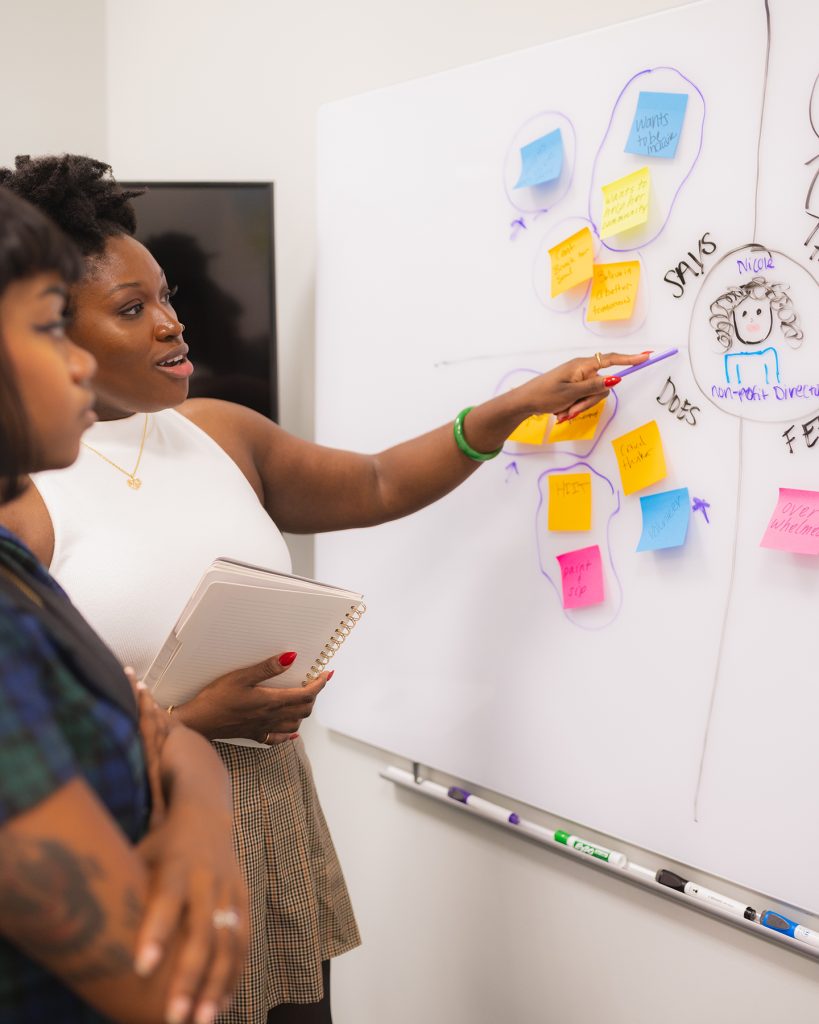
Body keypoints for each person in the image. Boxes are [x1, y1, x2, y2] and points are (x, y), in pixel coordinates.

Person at [0, 153, 646, 1024]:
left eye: (166, 298)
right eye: (130, 309)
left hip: (268, 804)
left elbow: (375, 483)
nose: (169, 325)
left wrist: (505, 412)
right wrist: (191, 734)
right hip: (132, 822)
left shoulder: (215, 431)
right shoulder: (30, 503)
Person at [0, 183, 253, 1023]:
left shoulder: (14, 571)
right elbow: (160, 987)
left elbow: (162, 730)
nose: (77, 360)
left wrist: (200, 821)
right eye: (46, 327)